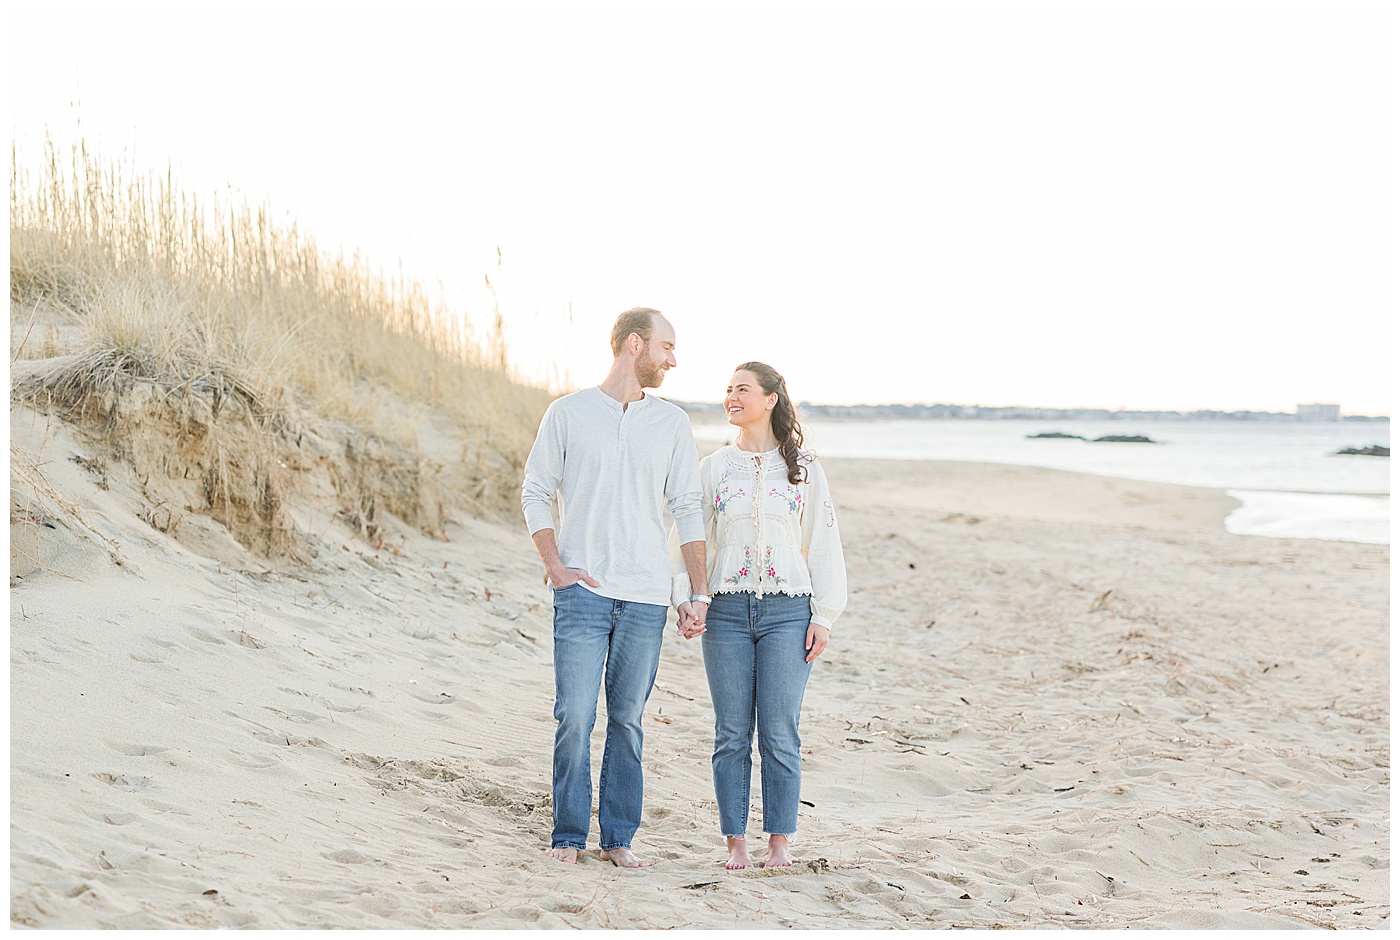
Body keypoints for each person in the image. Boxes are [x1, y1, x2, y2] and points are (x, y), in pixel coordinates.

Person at [521, 307, 711, 868]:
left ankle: (618, 837)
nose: (673, 359)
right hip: (582, 591)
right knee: (575, 716)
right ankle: (567, 835)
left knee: (627, 721)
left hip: (647, 595)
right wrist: (556, 565)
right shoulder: (568, 413)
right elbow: (536, 491)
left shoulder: (671, 423)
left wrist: (697, 593)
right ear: (634, 344)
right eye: (666, 346)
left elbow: (688, 508)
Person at [674, 361, 847, 870]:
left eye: (742, 389)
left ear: (770, 399)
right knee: (730, 733)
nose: (731, 396)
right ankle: (736, 842)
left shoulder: (804, 468)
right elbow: (688, 537)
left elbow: (824, 541)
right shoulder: (713, 468)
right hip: (725, 610)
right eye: (728, 389)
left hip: (789, 612)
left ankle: (779, 842)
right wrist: (686, 596)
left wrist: (824, 615)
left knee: (779, 731)